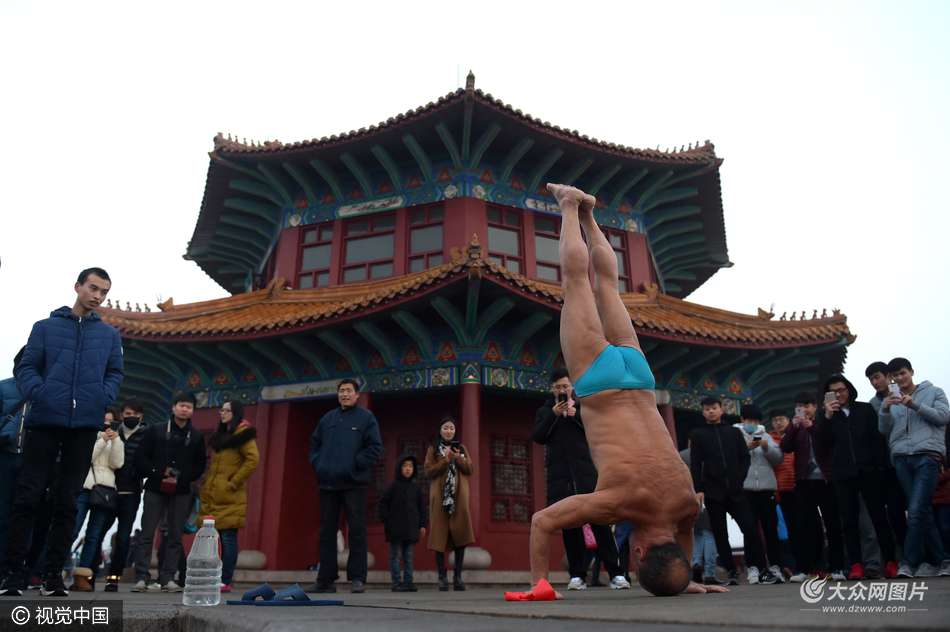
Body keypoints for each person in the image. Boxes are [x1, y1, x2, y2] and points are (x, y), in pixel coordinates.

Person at [517, 184, 726, 600]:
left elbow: (685, 534)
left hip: (641, 380)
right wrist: (540, 584)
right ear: (640, 551)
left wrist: (685, 578)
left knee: (609, 287)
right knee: (576, 284)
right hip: (599, 383)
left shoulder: (687, 504)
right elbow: (542, 520)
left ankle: (590, 213)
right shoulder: (618, 503)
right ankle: (569, 205)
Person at [0, 268, 124, 598]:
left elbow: (115, 372)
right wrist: (41, 394)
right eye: (93, 288)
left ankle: (53, 575)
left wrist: (102, 397)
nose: (98, 296)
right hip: (44, 421)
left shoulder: (109, 336)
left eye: (104, 292)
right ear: (78, 286)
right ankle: (12, 573)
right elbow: (27, 366)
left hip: (84, 425)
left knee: (68, 501)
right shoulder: (45, 328)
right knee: (27, 497)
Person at [532, 367, 630, 591]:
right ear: (552, 389)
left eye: (566, 386)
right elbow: (538, 437)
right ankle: (577, 575)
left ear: (572, 386)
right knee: (569, 528)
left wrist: (577, 416)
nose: (562, 390)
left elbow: (600, 432)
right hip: (561, 478)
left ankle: (616, 574)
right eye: (558, 387)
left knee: (601, 524)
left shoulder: (584, 408)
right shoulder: (545, 411)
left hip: (587, 475)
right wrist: (554, 415)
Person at [814, 374, 898, 580]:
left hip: (869, 472)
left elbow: (877, 439)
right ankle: (856, 565)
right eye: (833, 392)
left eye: (841, 390)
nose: (838, 394)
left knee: (879, 519)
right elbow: (823, 443)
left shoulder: (864, 409)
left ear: (849, 390)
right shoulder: (825, 416)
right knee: (849, 523)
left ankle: (890, 562)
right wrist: (827, 417)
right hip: (843, 475)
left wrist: (879, 466)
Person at [690, 398, 778, 585]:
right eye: (707, 409)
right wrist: (698, 488)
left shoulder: (733, 432)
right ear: (703, 412)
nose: (711, 411)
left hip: (736, 490)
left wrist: (739, 478)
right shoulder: (698, 434)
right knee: (720, 533)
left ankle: (764, 569)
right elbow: (696, 463)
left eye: (714, 408)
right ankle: (731, 572)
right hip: (712, 491)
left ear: (721, 410)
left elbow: (744, 457)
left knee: (750, 529)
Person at [307, 379, 382, 594]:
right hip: (328, 483)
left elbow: (374, 447)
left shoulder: (366, 417)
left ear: (357, 394)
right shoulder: (327, 418)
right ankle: (325, 579)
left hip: (353, 483)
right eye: (342, 391)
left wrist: (355, 463)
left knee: (357, 531)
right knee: (326, 533)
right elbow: (315, 445)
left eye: (349, 391)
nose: (345, 394)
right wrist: (318, 464)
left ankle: (357, 578)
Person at [878, 357, 950, 578]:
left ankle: (908, 562)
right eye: (895, 376)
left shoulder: (934, 392)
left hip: (927, 455)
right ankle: (942, 560)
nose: (900, 378)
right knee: (922, 511)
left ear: (911, 372)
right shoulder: (890, 399)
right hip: (901, 458)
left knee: (916, 510)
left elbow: (943, 417)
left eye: (903, 373)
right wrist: (885, 410)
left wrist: (915, 405)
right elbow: (884, 430)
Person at [132, 392, 207, 592]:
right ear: (173, 407)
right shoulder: (156, 430)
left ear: (193, 411)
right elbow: (140, 457)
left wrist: (183, 478)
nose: (184, 410)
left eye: (189, 407)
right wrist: (157, 473)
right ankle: (141, 577)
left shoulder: (197, 436)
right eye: (181, 405)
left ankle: (168, 578)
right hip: (155, 487)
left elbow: (200, 465)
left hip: (181, 490)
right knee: (147, 533)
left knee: (175, 535)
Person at [779, 392, 846, 582]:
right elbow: (785, 447)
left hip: (826, 481)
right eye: (799, 407)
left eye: (807, 406)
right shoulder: (795, 427)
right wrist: (793, 427)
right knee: (802, 526)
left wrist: (812, 427)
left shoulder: (823, 423)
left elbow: (828, 442)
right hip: (803, 482)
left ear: (815, 407)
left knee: (833, 524)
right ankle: (803, 569)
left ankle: (836, 568)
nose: (804, 410)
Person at [199, 400, 260, 592]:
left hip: (230, 495)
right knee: (212, 539)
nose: (223, 413)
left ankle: (225, 579)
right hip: (214, 494)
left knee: (228, 539)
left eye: (227, 410)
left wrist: (233, 482)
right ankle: (212, 576)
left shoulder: (243, 435)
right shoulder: (221, 435)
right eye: (222, 410)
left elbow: (253, 459)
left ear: (236, 413)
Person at [70, 410, 124, 591]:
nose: (107, 424)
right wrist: (103, 441)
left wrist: (115, 441)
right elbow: (86, 458)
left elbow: (117, 463)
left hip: (104, 491)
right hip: (85, 488)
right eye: (105, 420)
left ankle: (82, 577)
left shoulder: (117, 441)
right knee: (72, 529)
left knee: (93, 536)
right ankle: (55, 570)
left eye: (111, 421)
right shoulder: (89, 436)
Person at [734, 404, 784, 583]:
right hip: (746, 489)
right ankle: (753, 567)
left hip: (767, 488)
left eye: (756, 421)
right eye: (750, 421)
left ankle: (775, 566)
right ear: (742, 420)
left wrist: (766, 447)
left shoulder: (766, 436)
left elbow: (779, 459)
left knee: (771, 529)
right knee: (750, 529)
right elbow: (730, 457)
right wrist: (746, 447)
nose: (753, 424)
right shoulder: (735, 436)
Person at [101, 397, 148, 592]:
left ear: (141, 417)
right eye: (128, 414)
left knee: (122, 537)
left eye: (136, 414)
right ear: (121, 416)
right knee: (98, 532)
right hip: (109, 490)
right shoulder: (114, 432)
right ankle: (87, 574)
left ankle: (114, 576)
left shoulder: (147, 435)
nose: (132, 417)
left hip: (131, 492)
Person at [425, 415, 474, 591]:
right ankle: (442, 576)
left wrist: (457, 458)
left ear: (455, 431)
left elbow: (469, 469)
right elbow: (429, 472)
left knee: (460, 536)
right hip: (440, 497)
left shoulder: (461, 448)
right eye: (445, 428)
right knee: (438, 536)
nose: (448, 431)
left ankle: (458, 577)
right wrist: (445, 462)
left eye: (451, 428)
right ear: (440, 430)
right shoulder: (433, 450)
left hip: (458, 497)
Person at [864, 361, 909, 553]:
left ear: (888, 376)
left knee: (920, 509)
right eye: (871, 379)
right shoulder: (872, 405)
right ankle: (908, 554)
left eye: (877, 377)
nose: (874, 382)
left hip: (910, 458)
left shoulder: (906, 396)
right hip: (889, 466)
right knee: (895, 512)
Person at [376, 454, 426, 592]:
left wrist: (422, 524)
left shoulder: (416, 489)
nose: (408, 469)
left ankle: (409, 582)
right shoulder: (392, 486)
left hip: (411, 529)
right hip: (395, 529)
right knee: (396, 555)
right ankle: (397, 582)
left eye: (411, 466)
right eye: (405, 466)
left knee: (409, 556)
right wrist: (387, 520)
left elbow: (421, 508)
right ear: (399, 468)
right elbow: (382, 504)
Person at [678, 442, 720, 585]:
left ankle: (696, 562)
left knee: (694, 532)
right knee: (709, 534)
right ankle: (709, 572)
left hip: (686, 497)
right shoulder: (709, 453)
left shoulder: (681, 455)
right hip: (707, 496)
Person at [0, 348, 28, 560]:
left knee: (23, 514)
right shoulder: (4, 387)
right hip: (4, 455)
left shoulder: (42, 391)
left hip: (31, 460)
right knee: (1, 512)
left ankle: (14, 565)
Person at [769, 410, 797, 573]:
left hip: (800, 487)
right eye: (775, 420)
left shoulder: (797, 436)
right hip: (780, 490)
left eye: (781, 419)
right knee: (785, 529)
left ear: (788, 420)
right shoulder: (769, 440)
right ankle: (789, 565)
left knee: (804, 526)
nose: (778, 423)